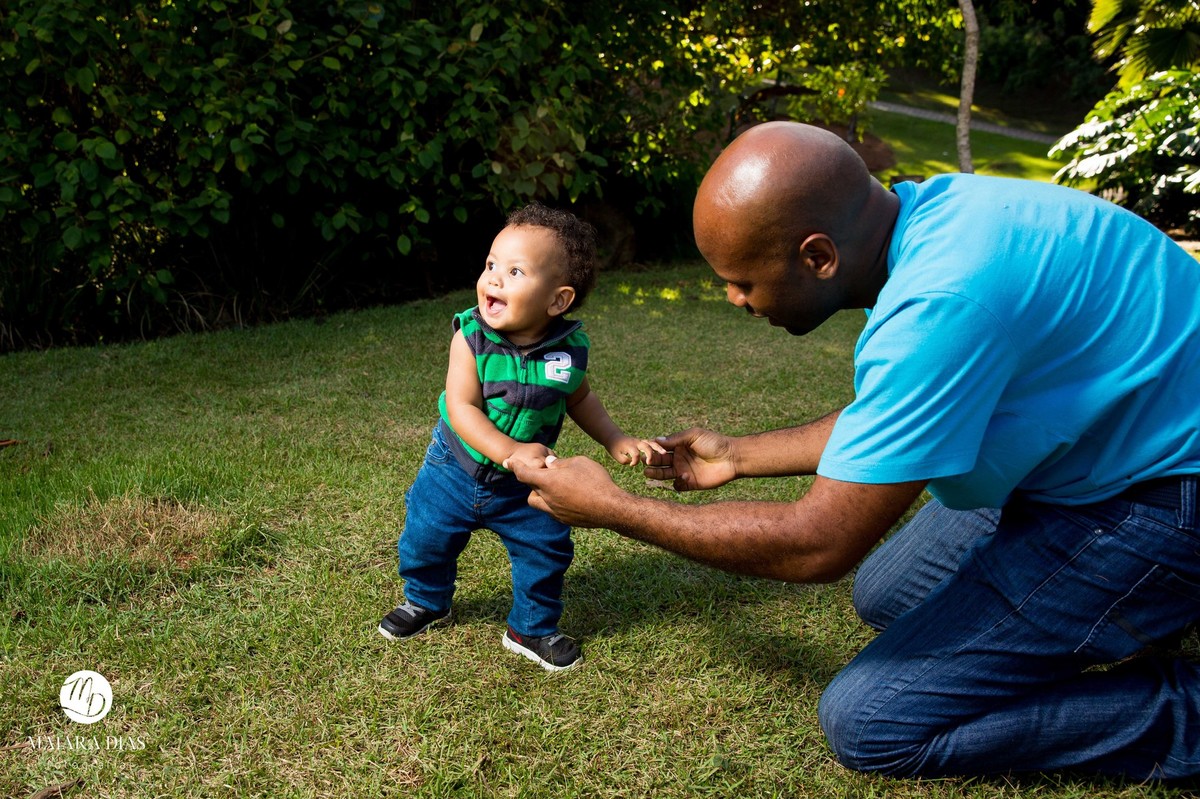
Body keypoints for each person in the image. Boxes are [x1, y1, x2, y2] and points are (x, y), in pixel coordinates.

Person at [508, 122, 1200, 776]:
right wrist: (739, 454)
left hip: (1161, 496)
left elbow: (818, 544)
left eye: (744, 280)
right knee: (887, 593)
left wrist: (616, 508)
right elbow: (906, 406)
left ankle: (1183, 709)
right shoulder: (934, 214)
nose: (734, 300)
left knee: (873, 721)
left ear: (818, 255)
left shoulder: (942, 298)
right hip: (1099, 448)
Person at [379, 202, 662, 671]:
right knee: (425, 536)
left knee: (547, 547)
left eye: (514, 271)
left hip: (525, 485)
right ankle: (427, 599)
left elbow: (580, 399)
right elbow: (461, 407)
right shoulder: (470, 337)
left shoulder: (568, 349)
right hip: (454, 468)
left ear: (557, 301)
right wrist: (511, 452)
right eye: (491, 265)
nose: (493, 278)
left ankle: (530, 627)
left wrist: (614, 438)